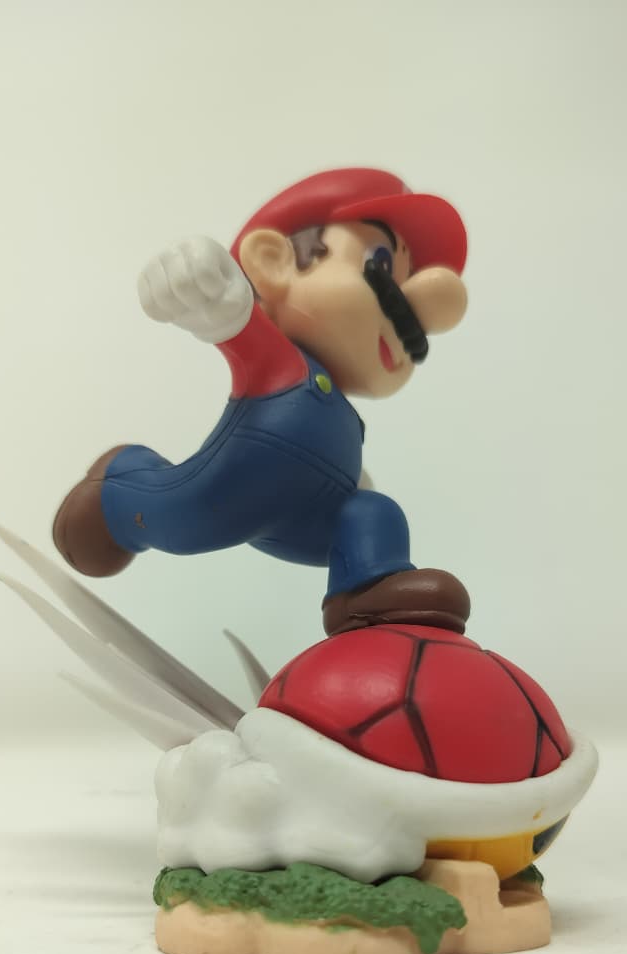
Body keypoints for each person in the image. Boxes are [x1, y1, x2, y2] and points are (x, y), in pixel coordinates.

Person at [53, 168, 472, 635]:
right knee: (185, 520)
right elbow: (233, 321)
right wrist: (210, 288)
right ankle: (118, 490)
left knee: (374, 512)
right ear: (273, 262)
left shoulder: (346, 415)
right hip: (237, 487)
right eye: (381, 262)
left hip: (315, 517)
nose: (411, 313)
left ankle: (364, 591)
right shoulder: (285, 365)